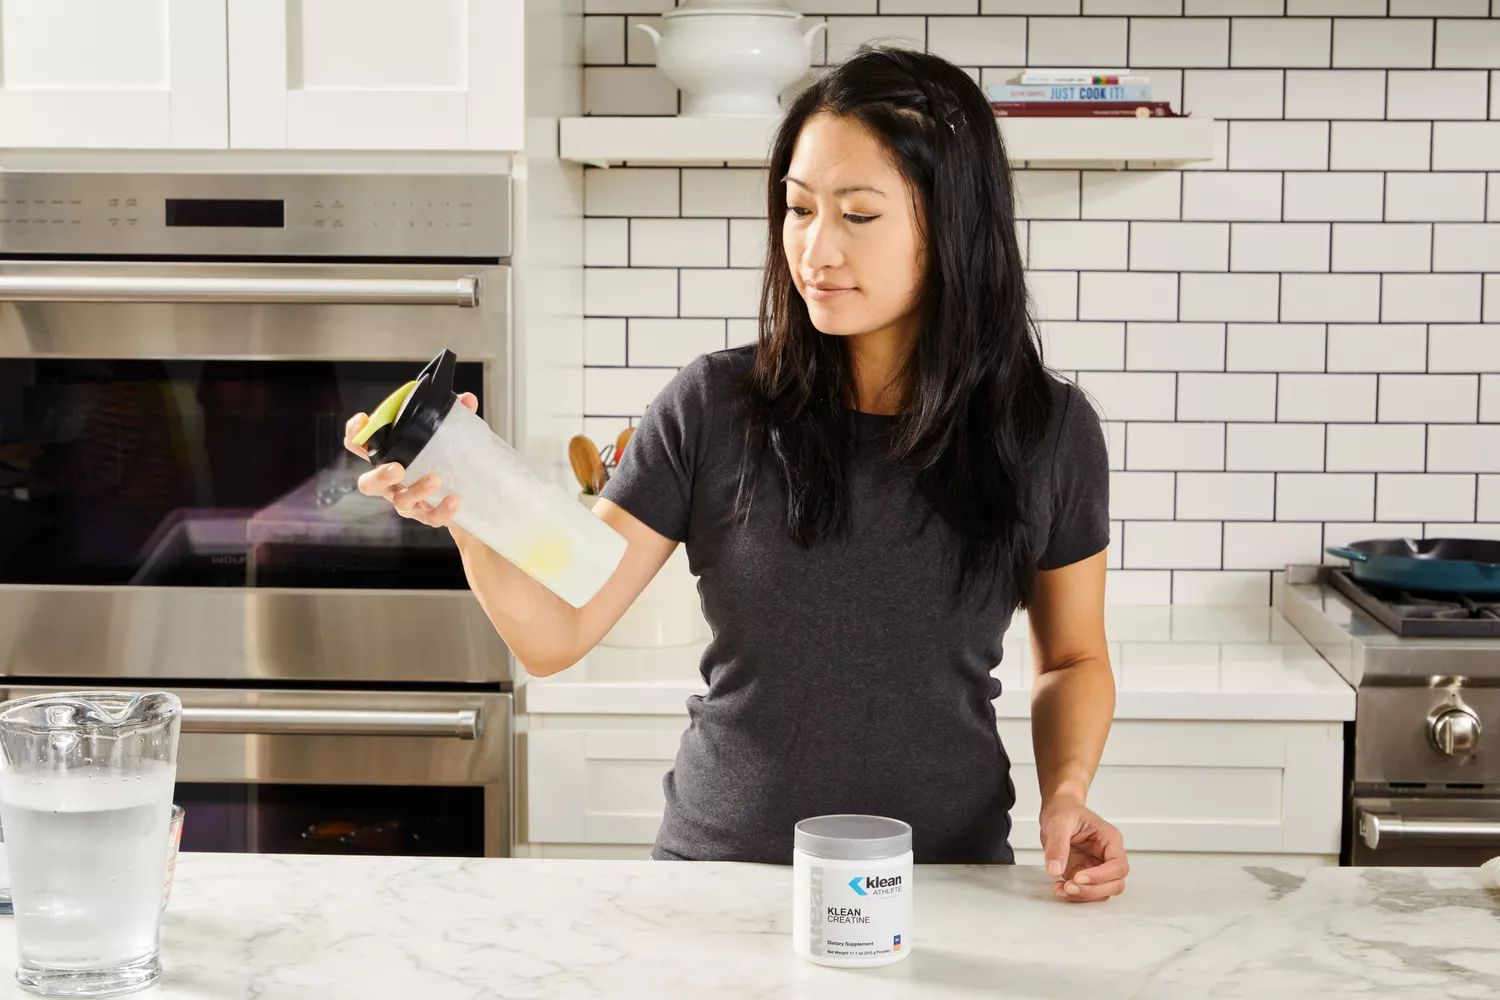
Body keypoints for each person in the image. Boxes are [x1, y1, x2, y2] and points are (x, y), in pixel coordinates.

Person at [346, 47, 1127, 903]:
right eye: (797, 209)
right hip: (722, 881)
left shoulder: (1046, 433)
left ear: (956, 226)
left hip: (943, 883)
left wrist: (1066, 793)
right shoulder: (715, 404)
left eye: (859, 215)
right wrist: (465, 508)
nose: (815, 248)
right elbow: (556, 632)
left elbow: (1075, 658)